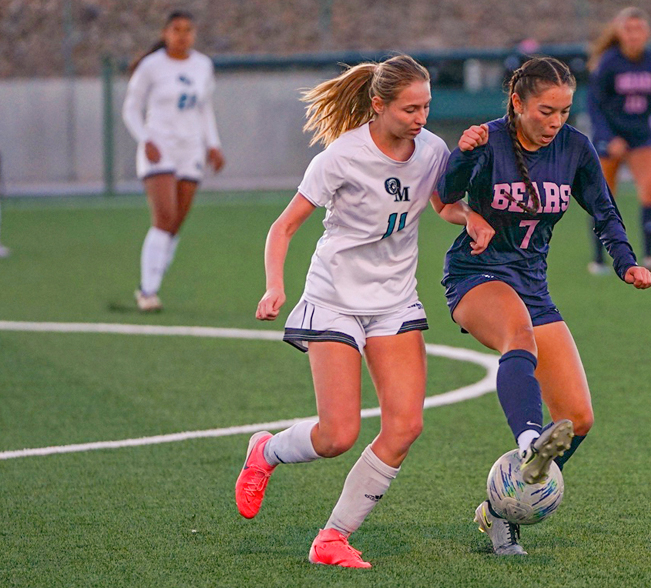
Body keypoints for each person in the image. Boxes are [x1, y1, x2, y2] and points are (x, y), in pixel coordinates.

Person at [234, 55, 486, 569]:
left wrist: (471, 219)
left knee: (405, 426)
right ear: (378, 105)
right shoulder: (340, 157)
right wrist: (274, 287)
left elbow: (440, 207)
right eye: (410, 108)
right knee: (337, 436)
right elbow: (283, 227)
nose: (421, 118)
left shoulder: (433, 150)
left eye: (426, 107)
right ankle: (265, 451)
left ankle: (332, 538)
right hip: (334, 301)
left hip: (394, 302)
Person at [437, 56, 651, 556]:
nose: (555, 122)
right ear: (517, 103)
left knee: (578, 417)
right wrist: (464, 156)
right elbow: (446, 195)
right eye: (545, 111)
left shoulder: (575, 148)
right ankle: (530, 441)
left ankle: (500, 509)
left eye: (564, 111)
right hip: (477, 275)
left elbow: (604, 210)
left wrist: (625, 262)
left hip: (533, 285)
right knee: (519, 336)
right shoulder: (487, 139)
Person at [122, 10, 225, 312]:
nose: (182, 35)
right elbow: (131, 109)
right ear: (166, 33)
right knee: (164, 218)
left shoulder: (203, 65)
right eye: (176, 29)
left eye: (188, 30)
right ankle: (147, 291)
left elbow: (204, 109)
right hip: (160, 147)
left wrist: (213, 145)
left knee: (176, 223)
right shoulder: (151, 66)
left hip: (190, 148)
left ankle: (153, 277)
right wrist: (146, 139)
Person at [586, 7, 651, 274]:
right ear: (619, 32)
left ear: (647, 33)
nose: (633, 35)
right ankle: (599, 259)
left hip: (641, 135)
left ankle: (650, 255)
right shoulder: (608, 62)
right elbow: (594, 106)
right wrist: (608, 138)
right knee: (603, 199)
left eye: (639, 29)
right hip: (610, 137)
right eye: (628, 29)